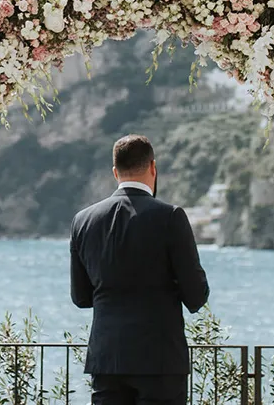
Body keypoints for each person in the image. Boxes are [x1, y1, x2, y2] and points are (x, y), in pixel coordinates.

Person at [70, 134, 210, 405]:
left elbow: (81, 297)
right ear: (153, 167)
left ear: (115, 172)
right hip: (160, 360)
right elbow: (196, 296)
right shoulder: (171, 217)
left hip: (107, 359)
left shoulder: (83, 221)